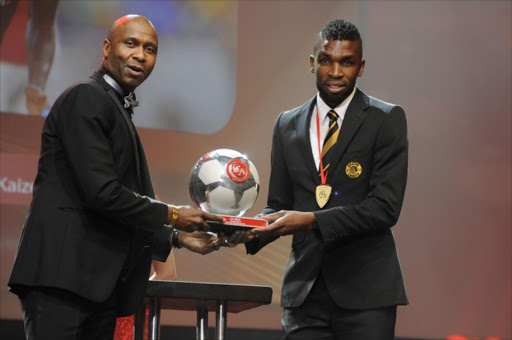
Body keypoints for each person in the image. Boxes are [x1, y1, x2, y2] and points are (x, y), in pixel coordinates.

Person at [8, 14, 225, 340]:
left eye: (150, 48)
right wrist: (176, 216)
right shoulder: (86, 97)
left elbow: (118, 207)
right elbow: (102, 194)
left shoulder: (113, 106)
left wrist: (175, 237)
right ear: (107, 48)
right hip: (64, 281)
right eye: (131, 43)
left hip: (94, 285)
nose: (141, 54)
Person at [236, 19, 409, 340]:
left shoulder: (385, 120)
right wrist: (247, 232)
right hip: (304, 292)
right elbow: (279, 205)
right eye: (327, 60)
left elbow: (385, 208)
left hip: (366, 294)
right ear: (312, 62)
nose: (335, 71)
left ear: (361, 67)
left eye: (347, 62)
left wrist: (310, 221)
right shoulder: (287, 124)